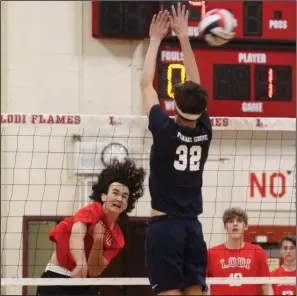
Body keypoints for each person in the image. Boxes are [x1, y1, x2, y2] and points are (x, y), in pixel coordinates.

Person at [140, 4, 212, 295]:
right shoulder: (204, 132)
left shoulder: (165, 130)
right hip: (193, 229)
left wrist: (156, 39)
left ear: (175, 107)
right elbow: (196, 85)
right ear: (201, 108)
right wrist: (184, 37)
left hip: (165, 229)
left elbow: (145, 84)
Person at [36, 158, 145, 296]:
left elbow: (94, 271)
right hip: (57, 277)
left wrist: (98, 241)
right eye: (115, 193)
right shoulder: (93, 210)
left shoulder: (118, 238)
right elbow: (76, 235)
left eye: (124, 196)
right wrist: (80, 262)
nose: (119, 199)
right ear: (104, 196)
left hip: (84, 283)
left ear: (126, 204)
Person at [207, 207, 273, 295]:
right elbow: (203, 286)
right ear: (225, 227)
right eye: (230, 221)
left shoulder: (257, 251)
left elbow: (266, 285)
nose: (235, 224)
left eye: (239, 221)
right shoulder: (211, 253)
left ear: (245, 226)